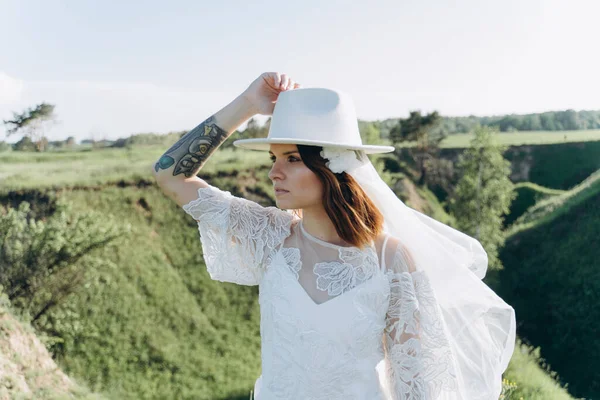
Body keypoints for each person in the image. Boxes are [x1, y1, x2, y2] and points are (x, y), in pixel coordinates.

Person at [151, 72, 516, 400]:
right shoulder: (268, 236)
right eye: (273, 159)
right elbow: (170, 175)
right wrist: (247, 104)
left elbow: (415, 387)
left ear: (333, 167)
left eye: (292, 159)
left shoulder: (390, 260)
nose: (275, 173)